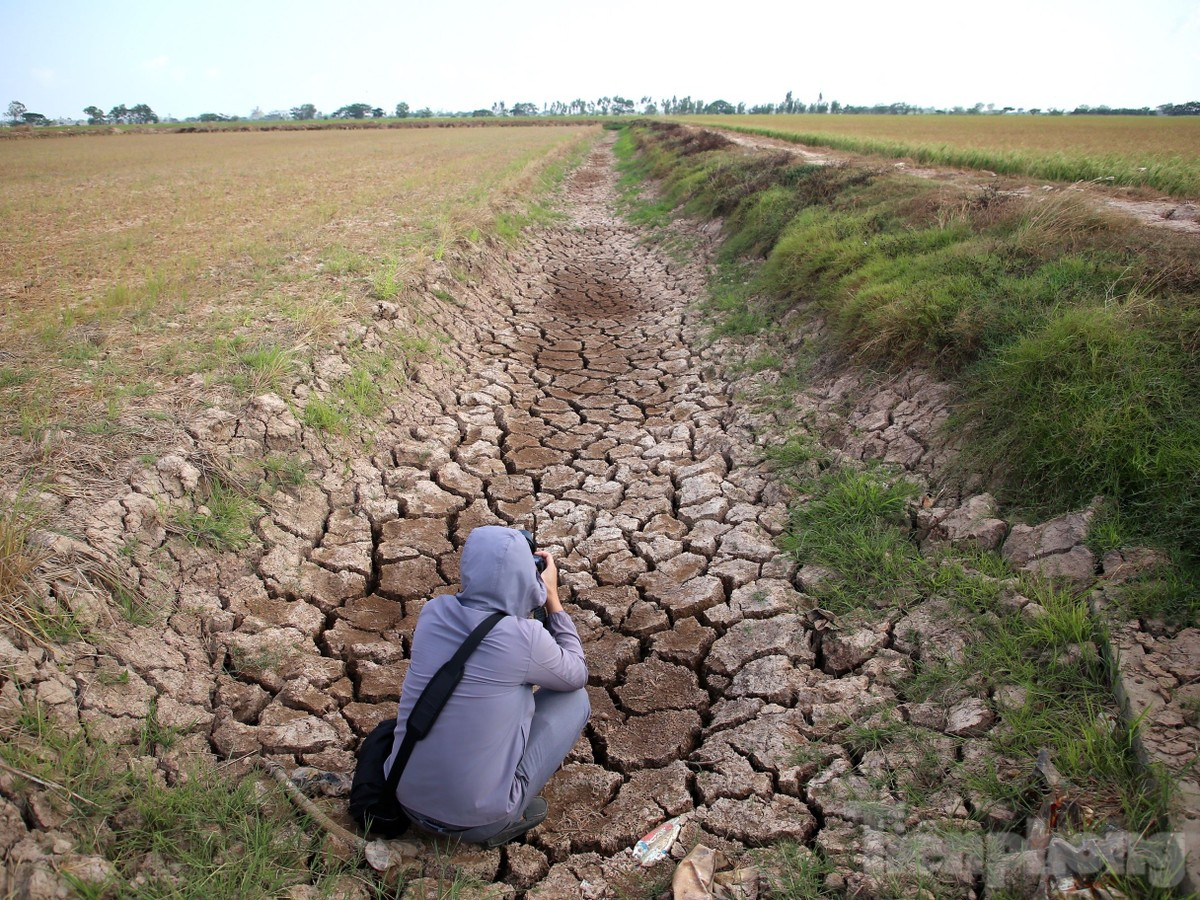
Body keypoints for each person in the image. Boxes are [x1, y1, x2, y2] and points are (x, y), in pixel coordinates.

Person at [384, 525, 590, 847]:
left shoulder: (433, 613)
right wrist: (551, 597)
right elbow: (576, 673)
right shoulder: (526, 638)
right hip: (476, 823)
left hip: (403, 796)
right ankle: (508, 811)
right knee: (575, 699)